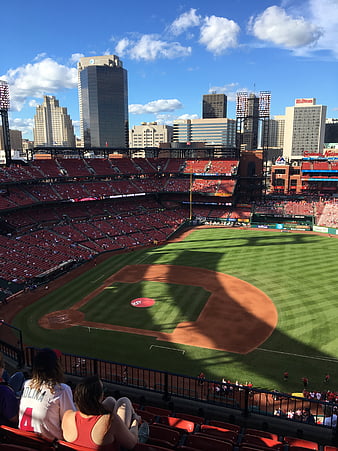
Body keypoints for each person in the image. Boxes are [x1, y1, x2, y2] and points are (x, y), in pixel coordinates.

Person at [62, 375, 140, 450]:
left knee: (110, 401)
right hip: (118, 443)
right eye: (102, 390)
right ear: (99, 396)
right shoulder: (110, 421)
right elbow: (132, 444)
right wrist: (135, 421)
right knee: (124, 401)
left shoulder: (67, 416)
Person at [18, 348, 75, 440]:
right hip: (47, 444)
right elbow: (70, 421)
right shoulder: (62, 389)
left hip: (24, 440)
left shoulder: (27, 384)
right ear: (56, 367)